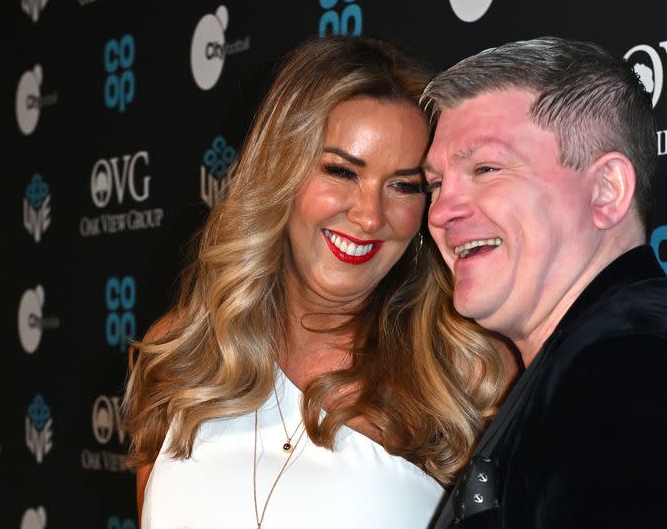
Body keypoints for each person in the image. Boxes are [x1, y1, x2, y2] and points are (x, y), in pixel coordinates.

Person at [122, 36, 513, 529]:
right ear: (280, 170)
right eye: (341, 171)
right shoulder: (182, 353)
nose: (370, 216)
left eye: (403, 185)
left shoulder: (465, 374)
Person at [421, 37, 667, 528]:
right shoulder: (598, 358)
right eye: (436, 184)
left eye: (486, 169)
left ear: (607, 191)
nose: (440, 211)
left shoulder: (636, 370)